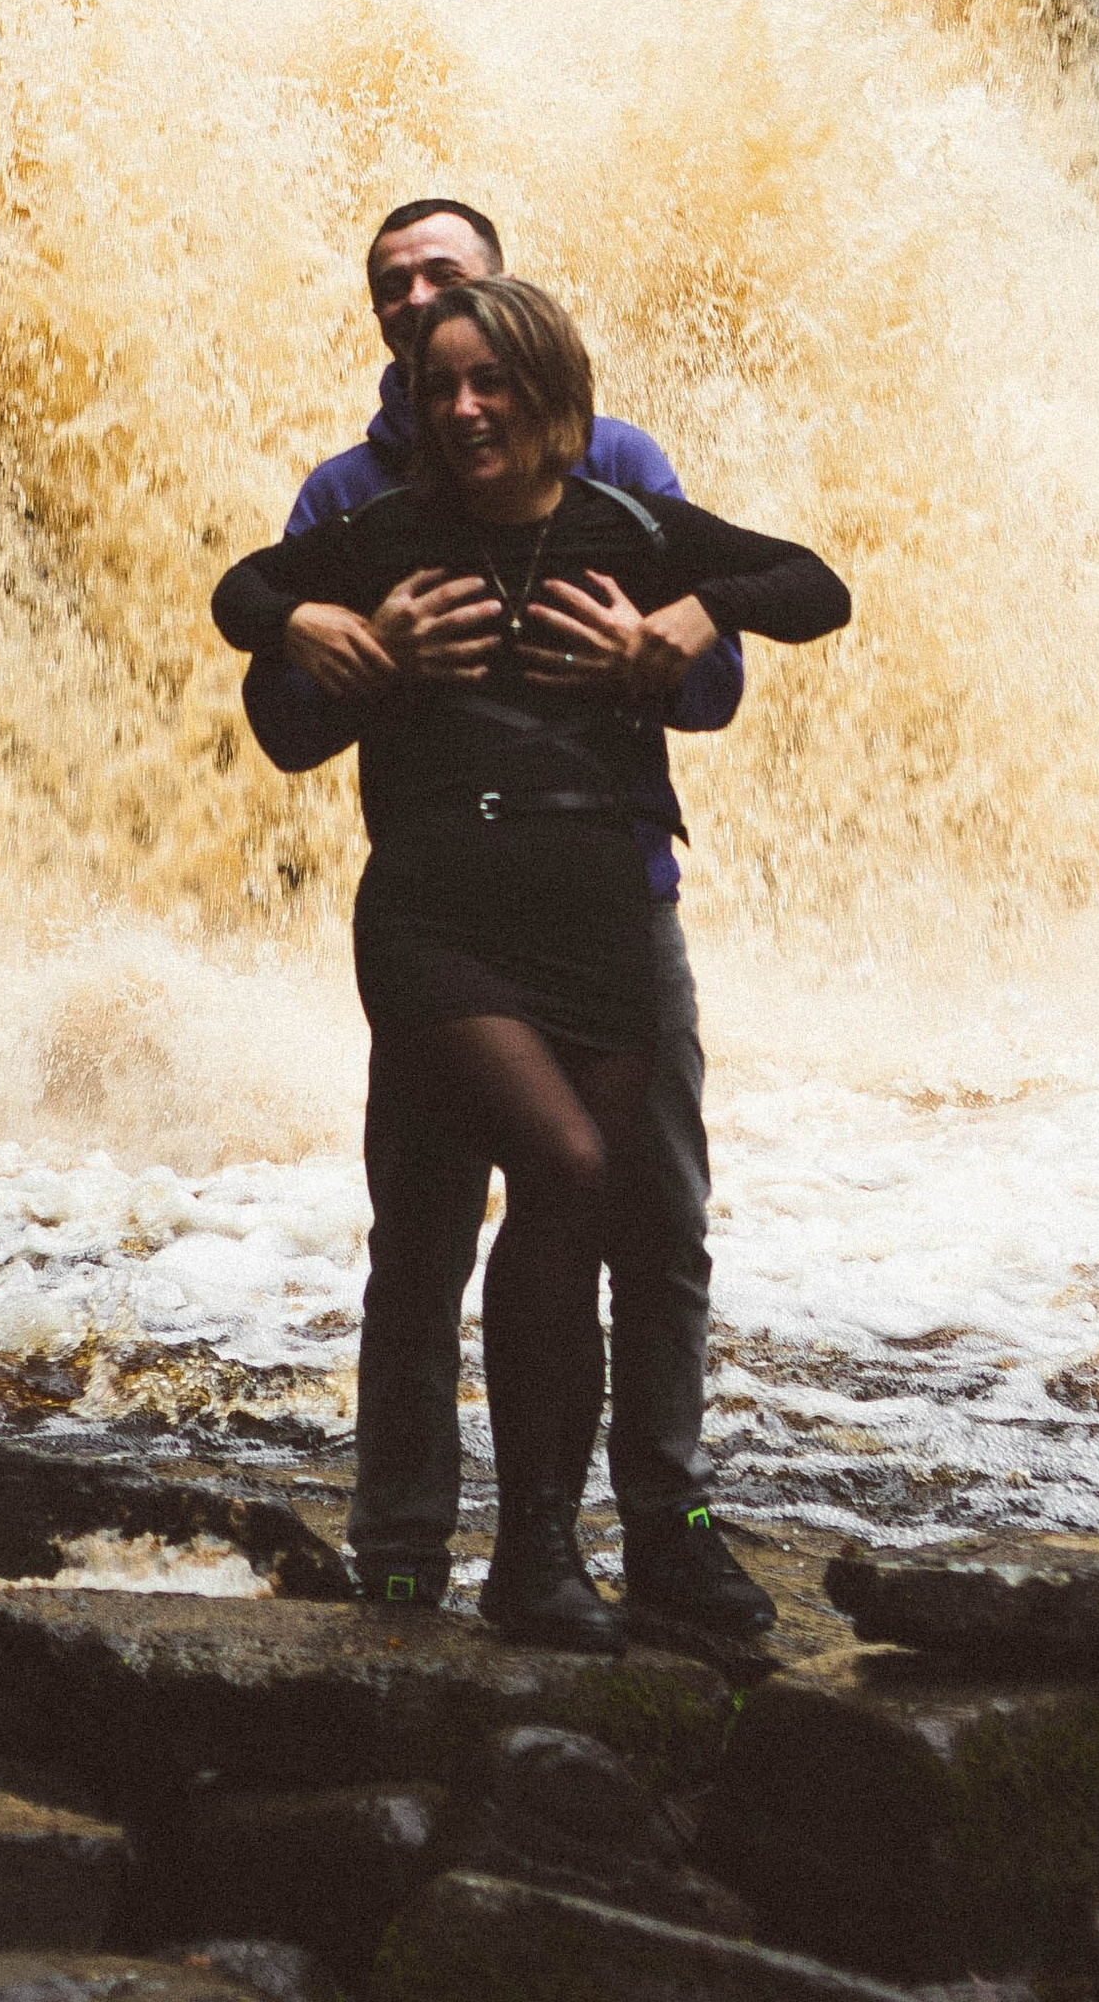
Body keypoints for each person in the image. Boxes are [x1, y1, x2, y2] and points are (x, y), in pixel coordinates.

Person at [215, 272, 850, 1652]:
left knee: (611, 1219)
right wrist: (315, 628)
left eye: (489, 379)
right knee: (532, 1185)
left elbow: (814, 587)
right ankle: (414, 1554)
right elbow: (242, 600)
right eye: (438, 381)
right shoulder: (376, 523)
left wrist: (689, 621)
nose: (462, 405)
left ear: (553, 391)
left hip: (609, 917)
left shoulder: (631, 518)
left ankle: (560, 1550)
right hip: (441, 914)